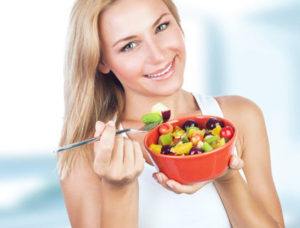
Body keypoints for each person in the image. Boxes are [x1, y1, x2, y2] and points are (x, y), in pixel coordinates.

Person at [58, 0, 285, 227]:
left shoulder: (241, 116)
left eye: (161, 27)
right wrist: (119, 189)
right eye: (129, 46)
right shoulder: (85, 155)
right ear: (101, 60)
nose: (157, 55)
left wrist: (226, 176)